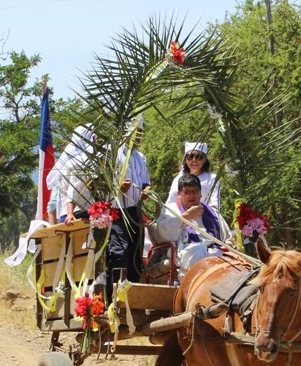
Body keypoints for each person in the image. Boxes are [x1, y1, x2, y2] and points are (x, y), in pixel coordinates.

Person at [151, 173, 230, 277]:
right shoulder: (170, 210)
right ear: (179, 194)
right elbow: (161, 235)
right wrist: (185, 217)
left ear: (201, 193)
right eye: (187, 192)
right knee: (198, 250)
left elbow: (228, 237)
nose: (192, 195)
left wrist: (230, 245)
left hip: (214, 253)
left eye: (195, 191)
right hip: (185, 253)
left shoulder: (213, 213)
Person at [106, 121, 151, 283]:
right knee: (119, 252)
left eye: (140, 131)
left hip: (135, 210)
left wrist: (146, 191)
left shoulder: (140, 157)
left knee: (135, 253)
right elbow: (104, 185)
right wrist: (117, 188)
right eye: (135, 131)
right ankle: (114, 295)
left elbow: (146, 182)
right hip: (117, 210)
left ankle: (133, 295)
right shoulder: (113, 155)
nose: (138, 135)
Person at [52, 125, 96, 224]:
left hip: (67, 213)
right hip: (78, 213)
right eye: (94, 139)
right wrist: (70, 213)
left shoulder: (70, 161)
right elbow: (74, 190)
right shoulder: (81, 162)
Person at [166, 142, 221, 211]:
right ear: (185, 160)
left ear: (204, 160)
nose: (194, 160)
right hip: (180, 218)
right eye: (190, 156)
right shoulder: (178, 179)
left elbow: (215, 204)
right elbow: (169, 203)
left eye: (198, 156)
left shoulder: (212, 178)